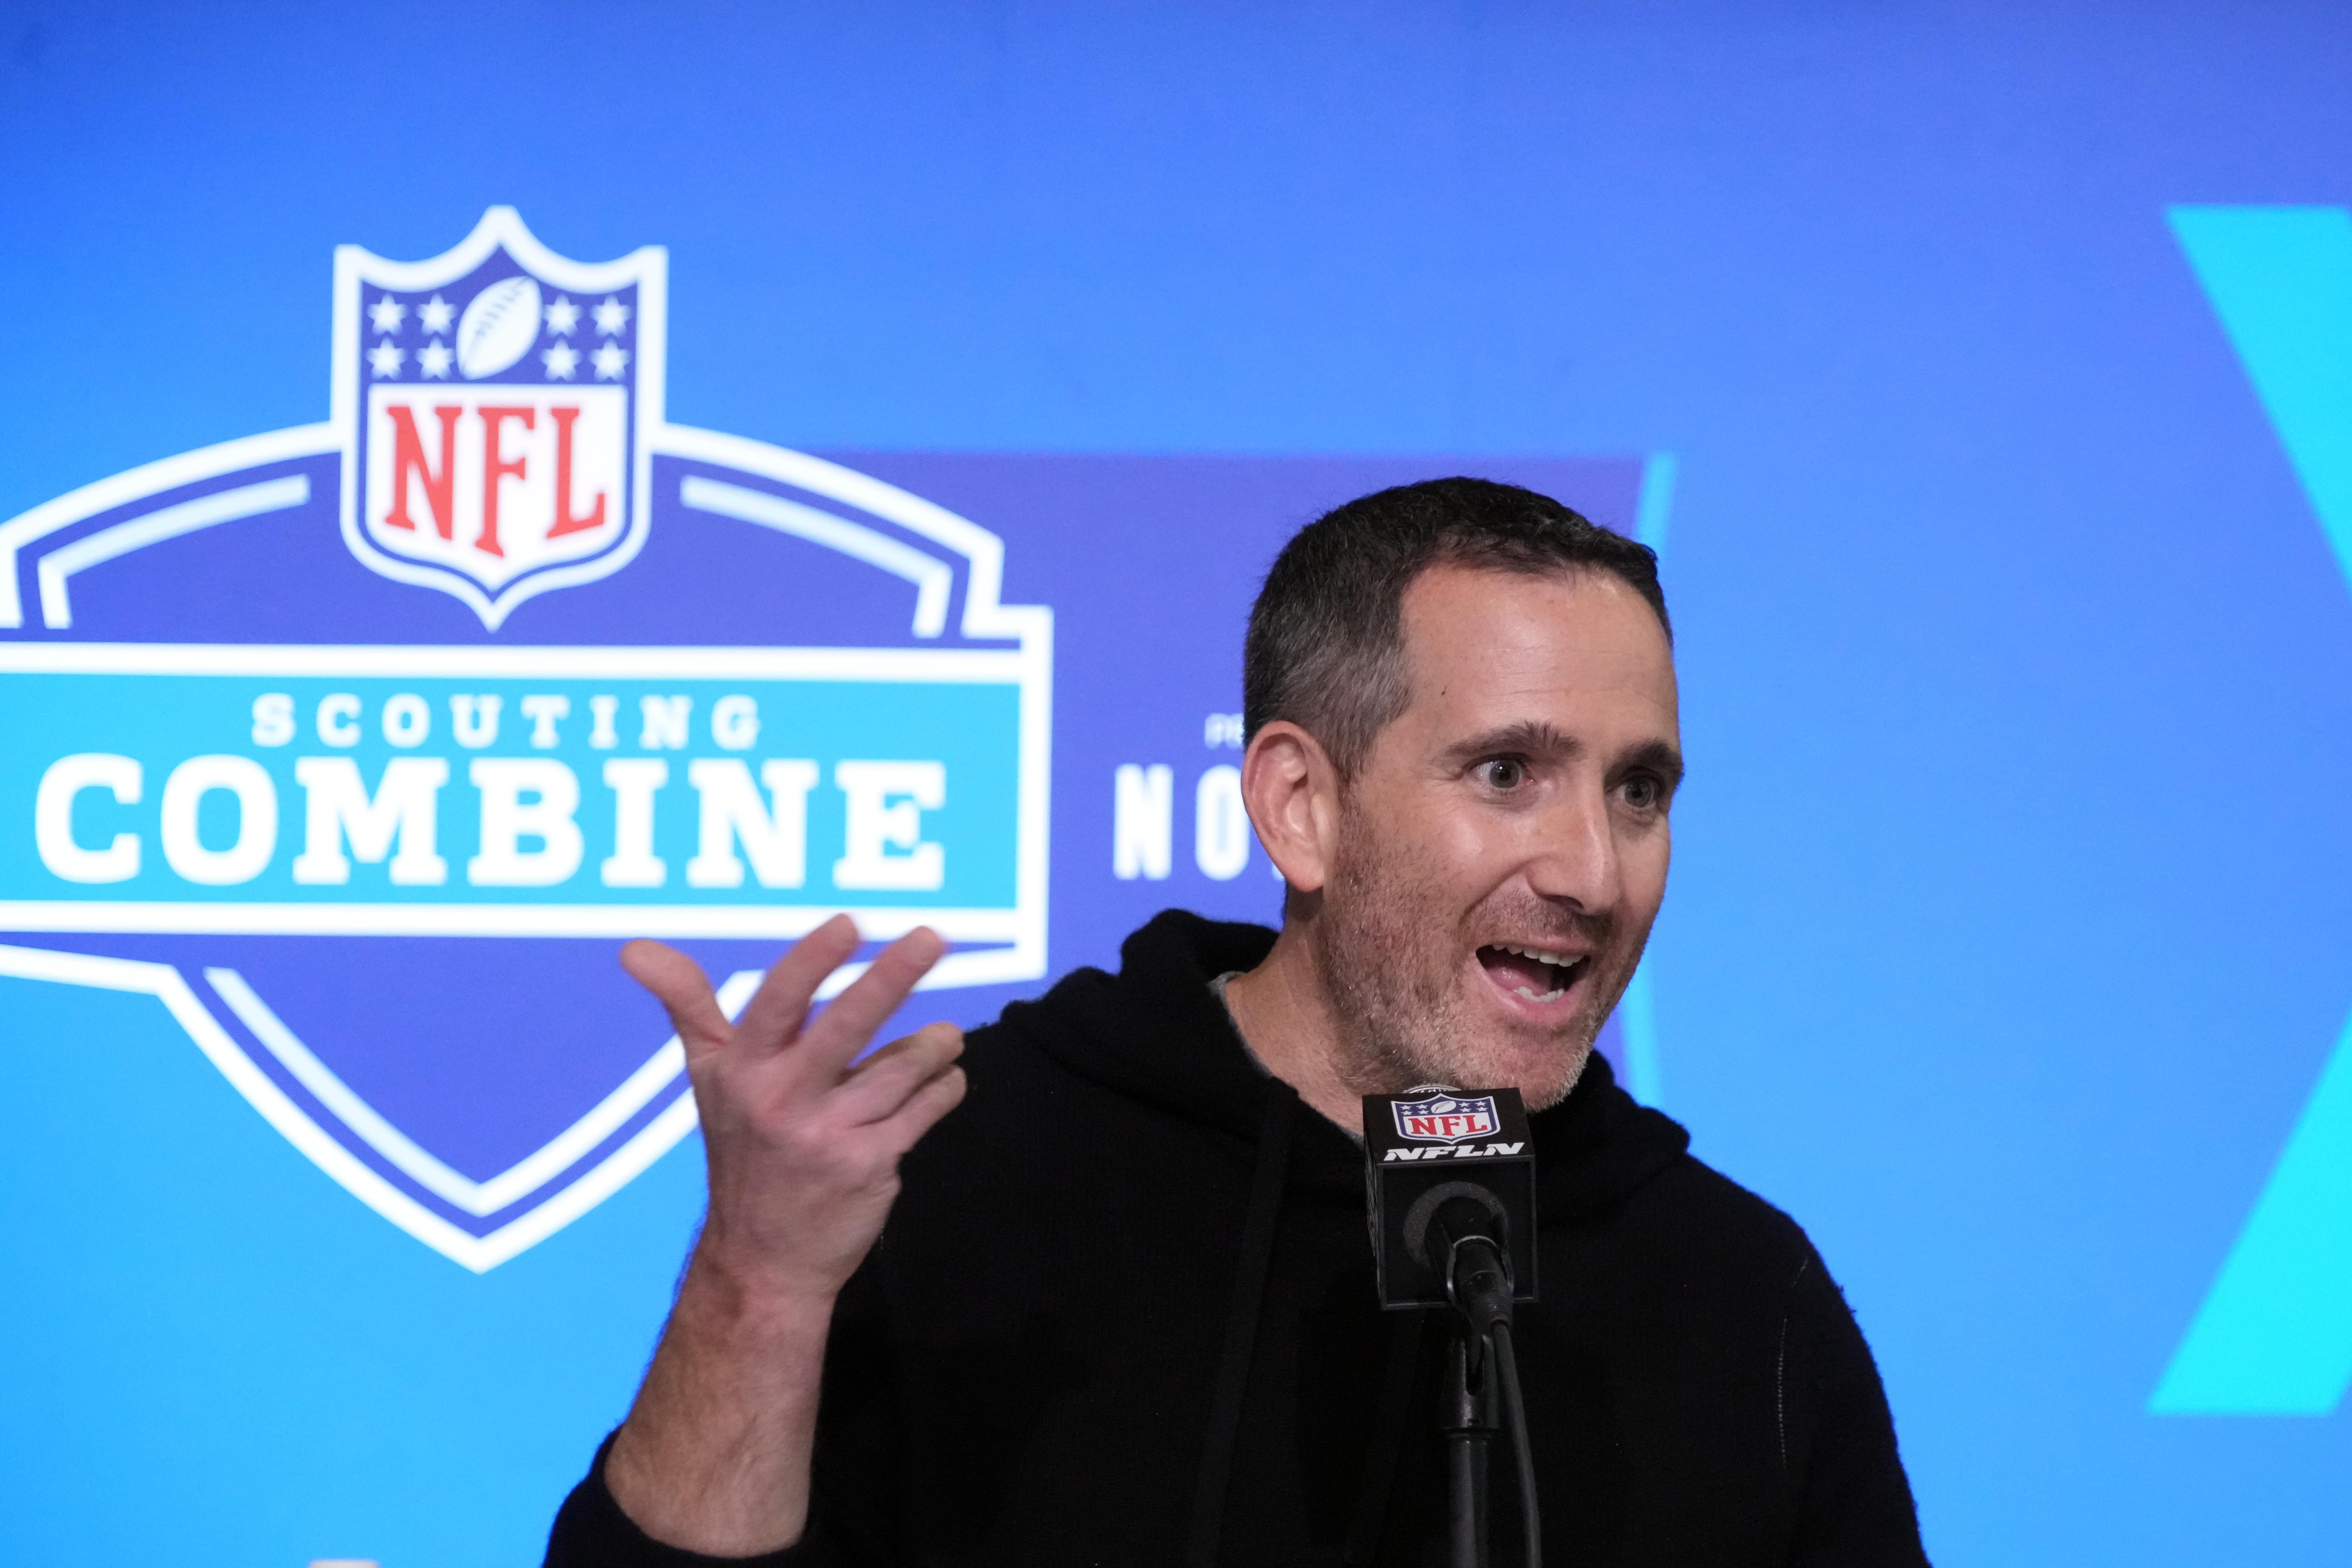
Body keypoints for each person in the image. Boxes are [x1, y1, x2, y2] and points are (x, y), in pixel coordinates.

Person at [545, 478, 1929, 1566]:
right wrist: (761, 1285)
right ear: (1298, 807)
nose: (1595, 869)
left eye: (1640, 789)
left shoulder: (1740, 1296)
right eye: (1509, 771)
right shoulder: (970, 1173)